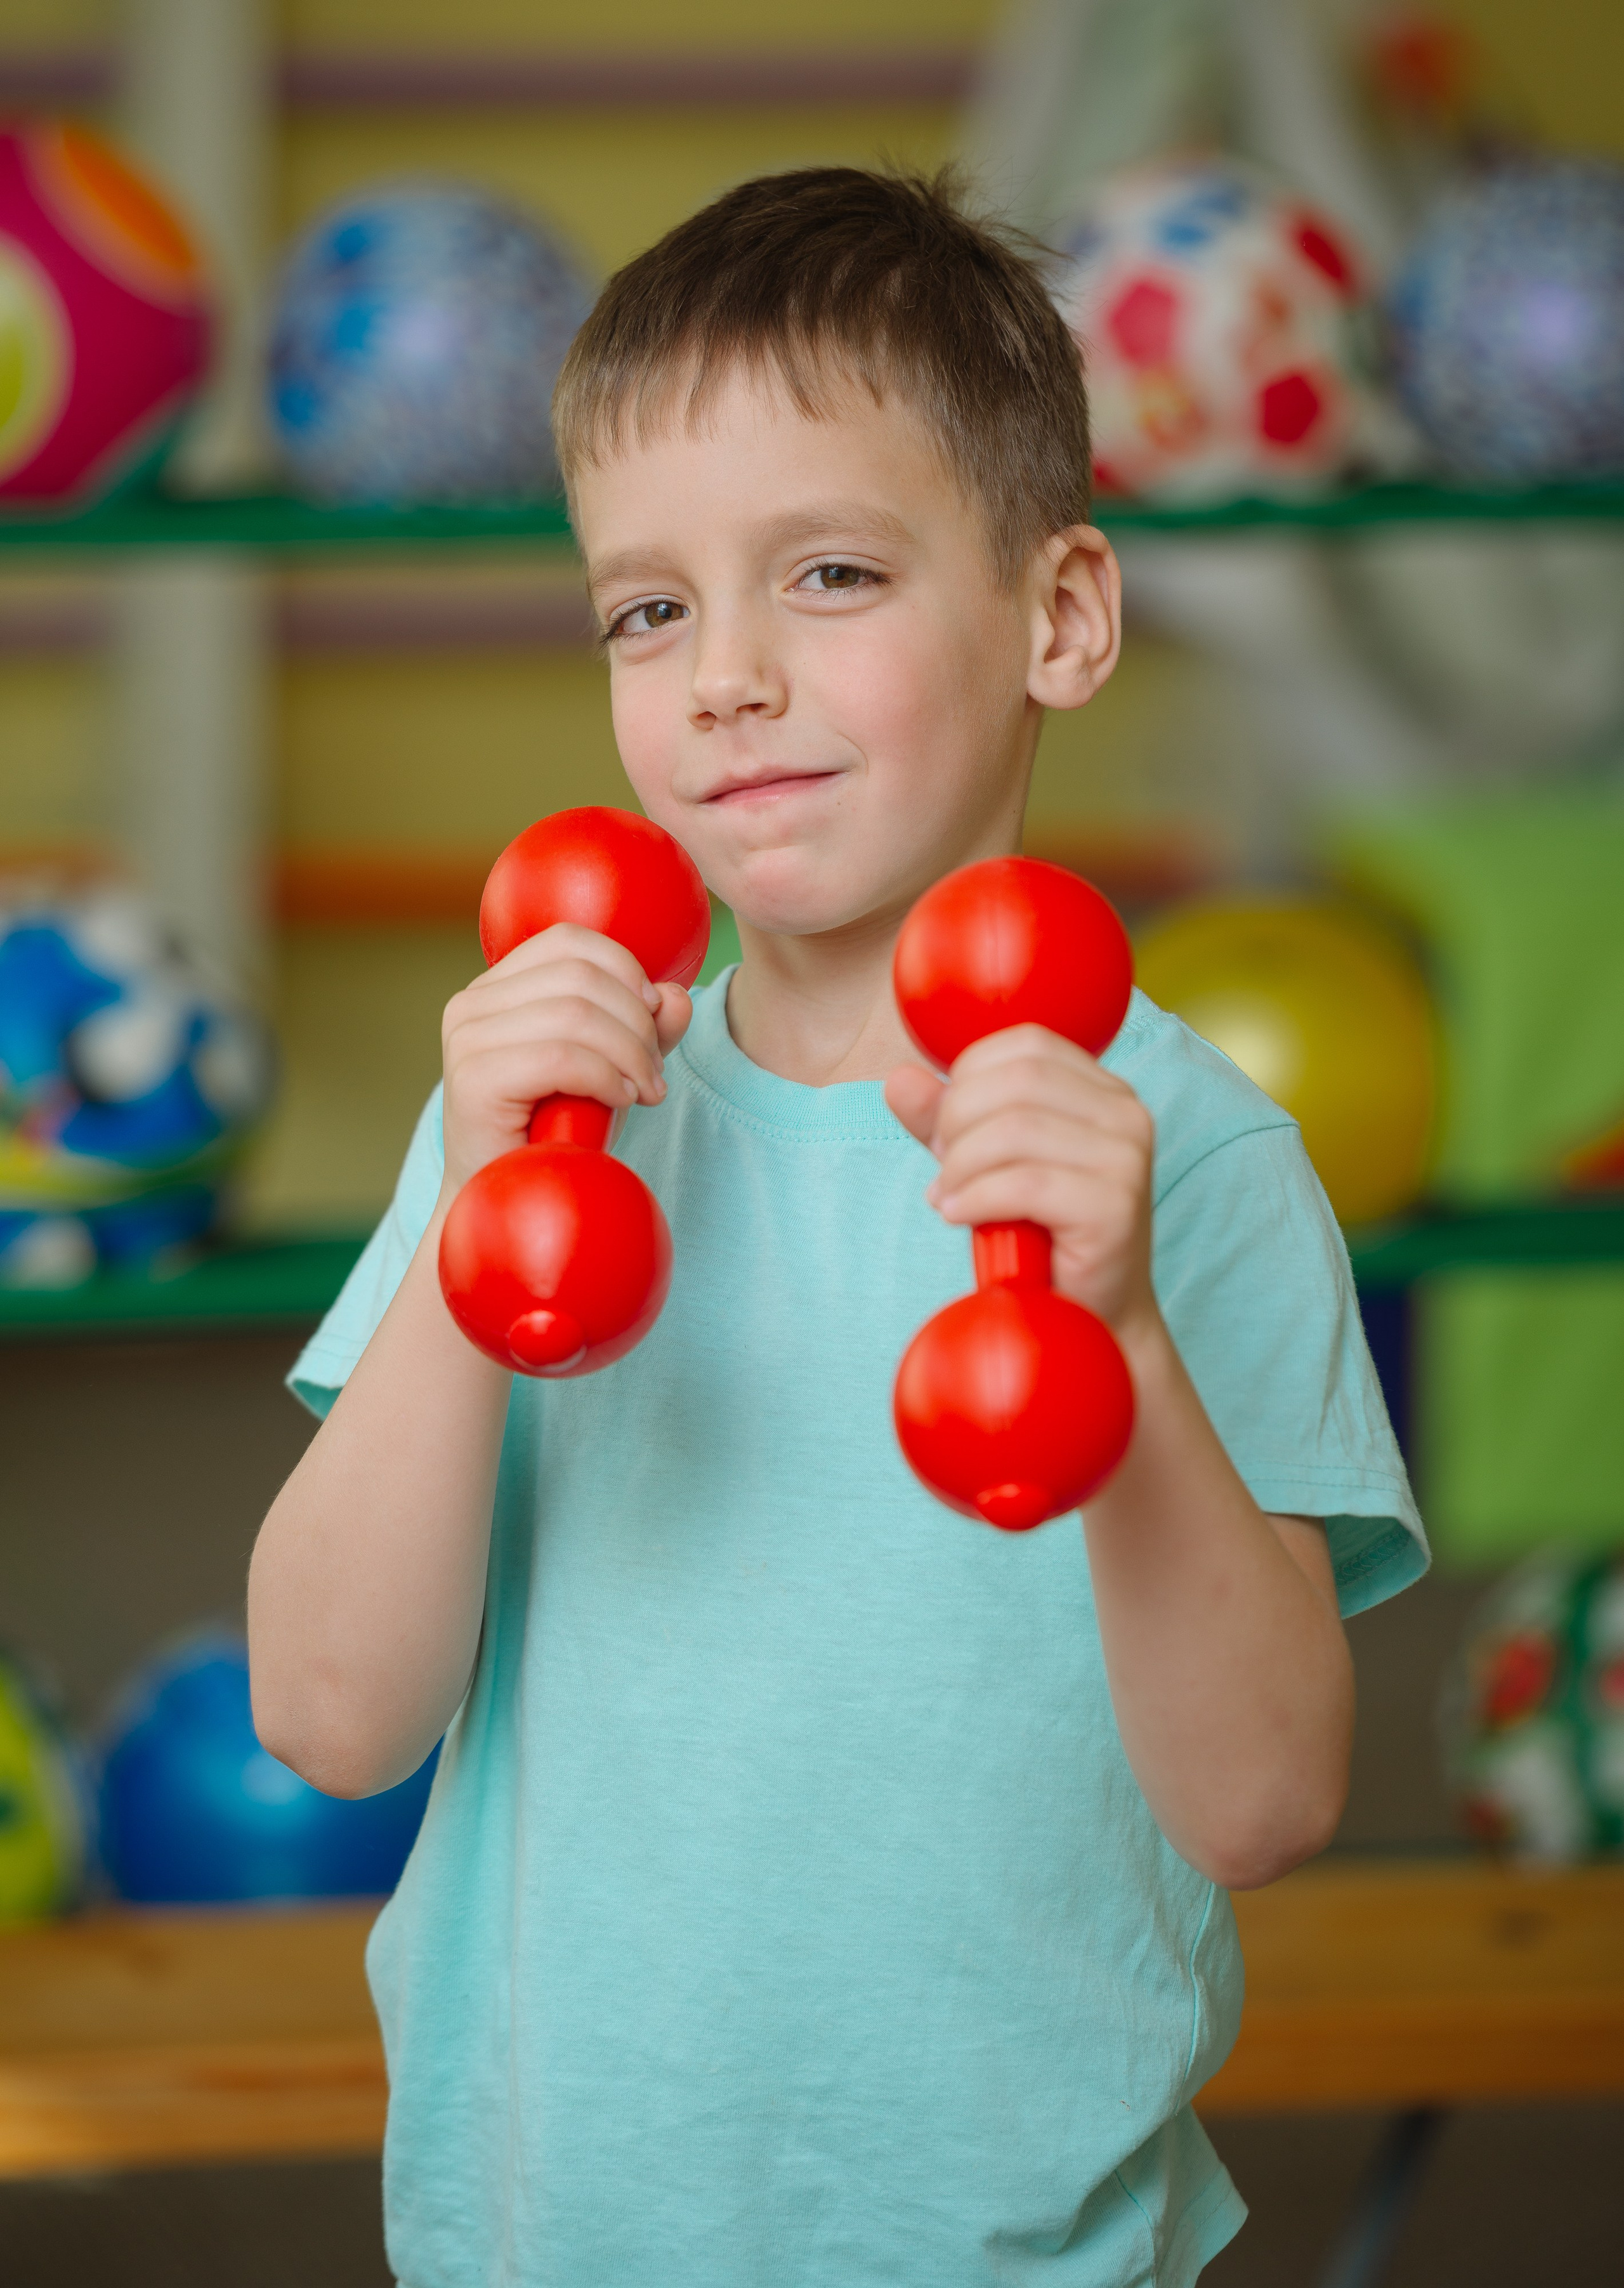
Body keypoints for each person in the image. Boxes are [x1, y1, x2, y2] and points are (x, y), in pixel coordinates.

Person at [248, 167, 1426, 2288]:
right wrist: (478, 1204)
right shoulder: (539, 1118)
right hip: (549, 2235)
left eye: (832, 573)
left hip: (1018, 2250)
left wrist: (1129, 1335)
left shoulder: (1190, 1158)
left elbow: (1262, 1807)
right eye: (650, 608)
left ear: (1059, 617)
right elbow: (332, 1712)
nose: (727, 679)